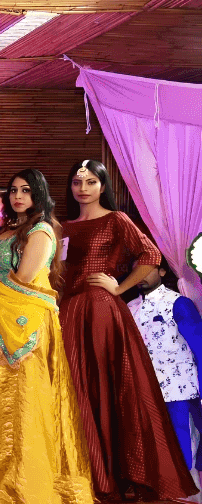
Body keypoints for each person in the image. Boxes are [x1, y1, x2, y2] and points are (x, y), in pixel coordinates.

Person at [61, 160, 196, 499]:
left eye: (91, 182)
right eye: (77, 182)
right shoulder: (63, 226)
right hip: (68, 311)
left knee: (105, 387)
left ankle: (115, 472)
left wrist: (119, 288)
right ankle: (82, 471)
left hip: (101, 311)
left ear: (103, 186)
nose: (83, 188)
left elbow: (150, 254)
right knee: (73, 387)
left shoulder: (116, 219)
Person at [0, 169, 93, 503]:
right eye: (14, 190)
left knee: (24, 400)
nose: (18, 196)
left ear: (39, 195)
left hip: (24, 325)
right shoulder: (9, 231)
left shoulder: (41, 230)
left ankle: (22, 482)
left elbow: (25, 278)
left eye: (26, 191)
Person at [127, 258, 202, 472]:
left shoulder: (178, 303)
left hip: (179, 390)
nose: (141, 275)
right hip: (143, 391)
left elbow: (199, 346)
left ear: (161, 272)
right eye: (136, 271)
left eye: (147, 270)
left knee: (182, 448)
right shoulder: (129, 308)